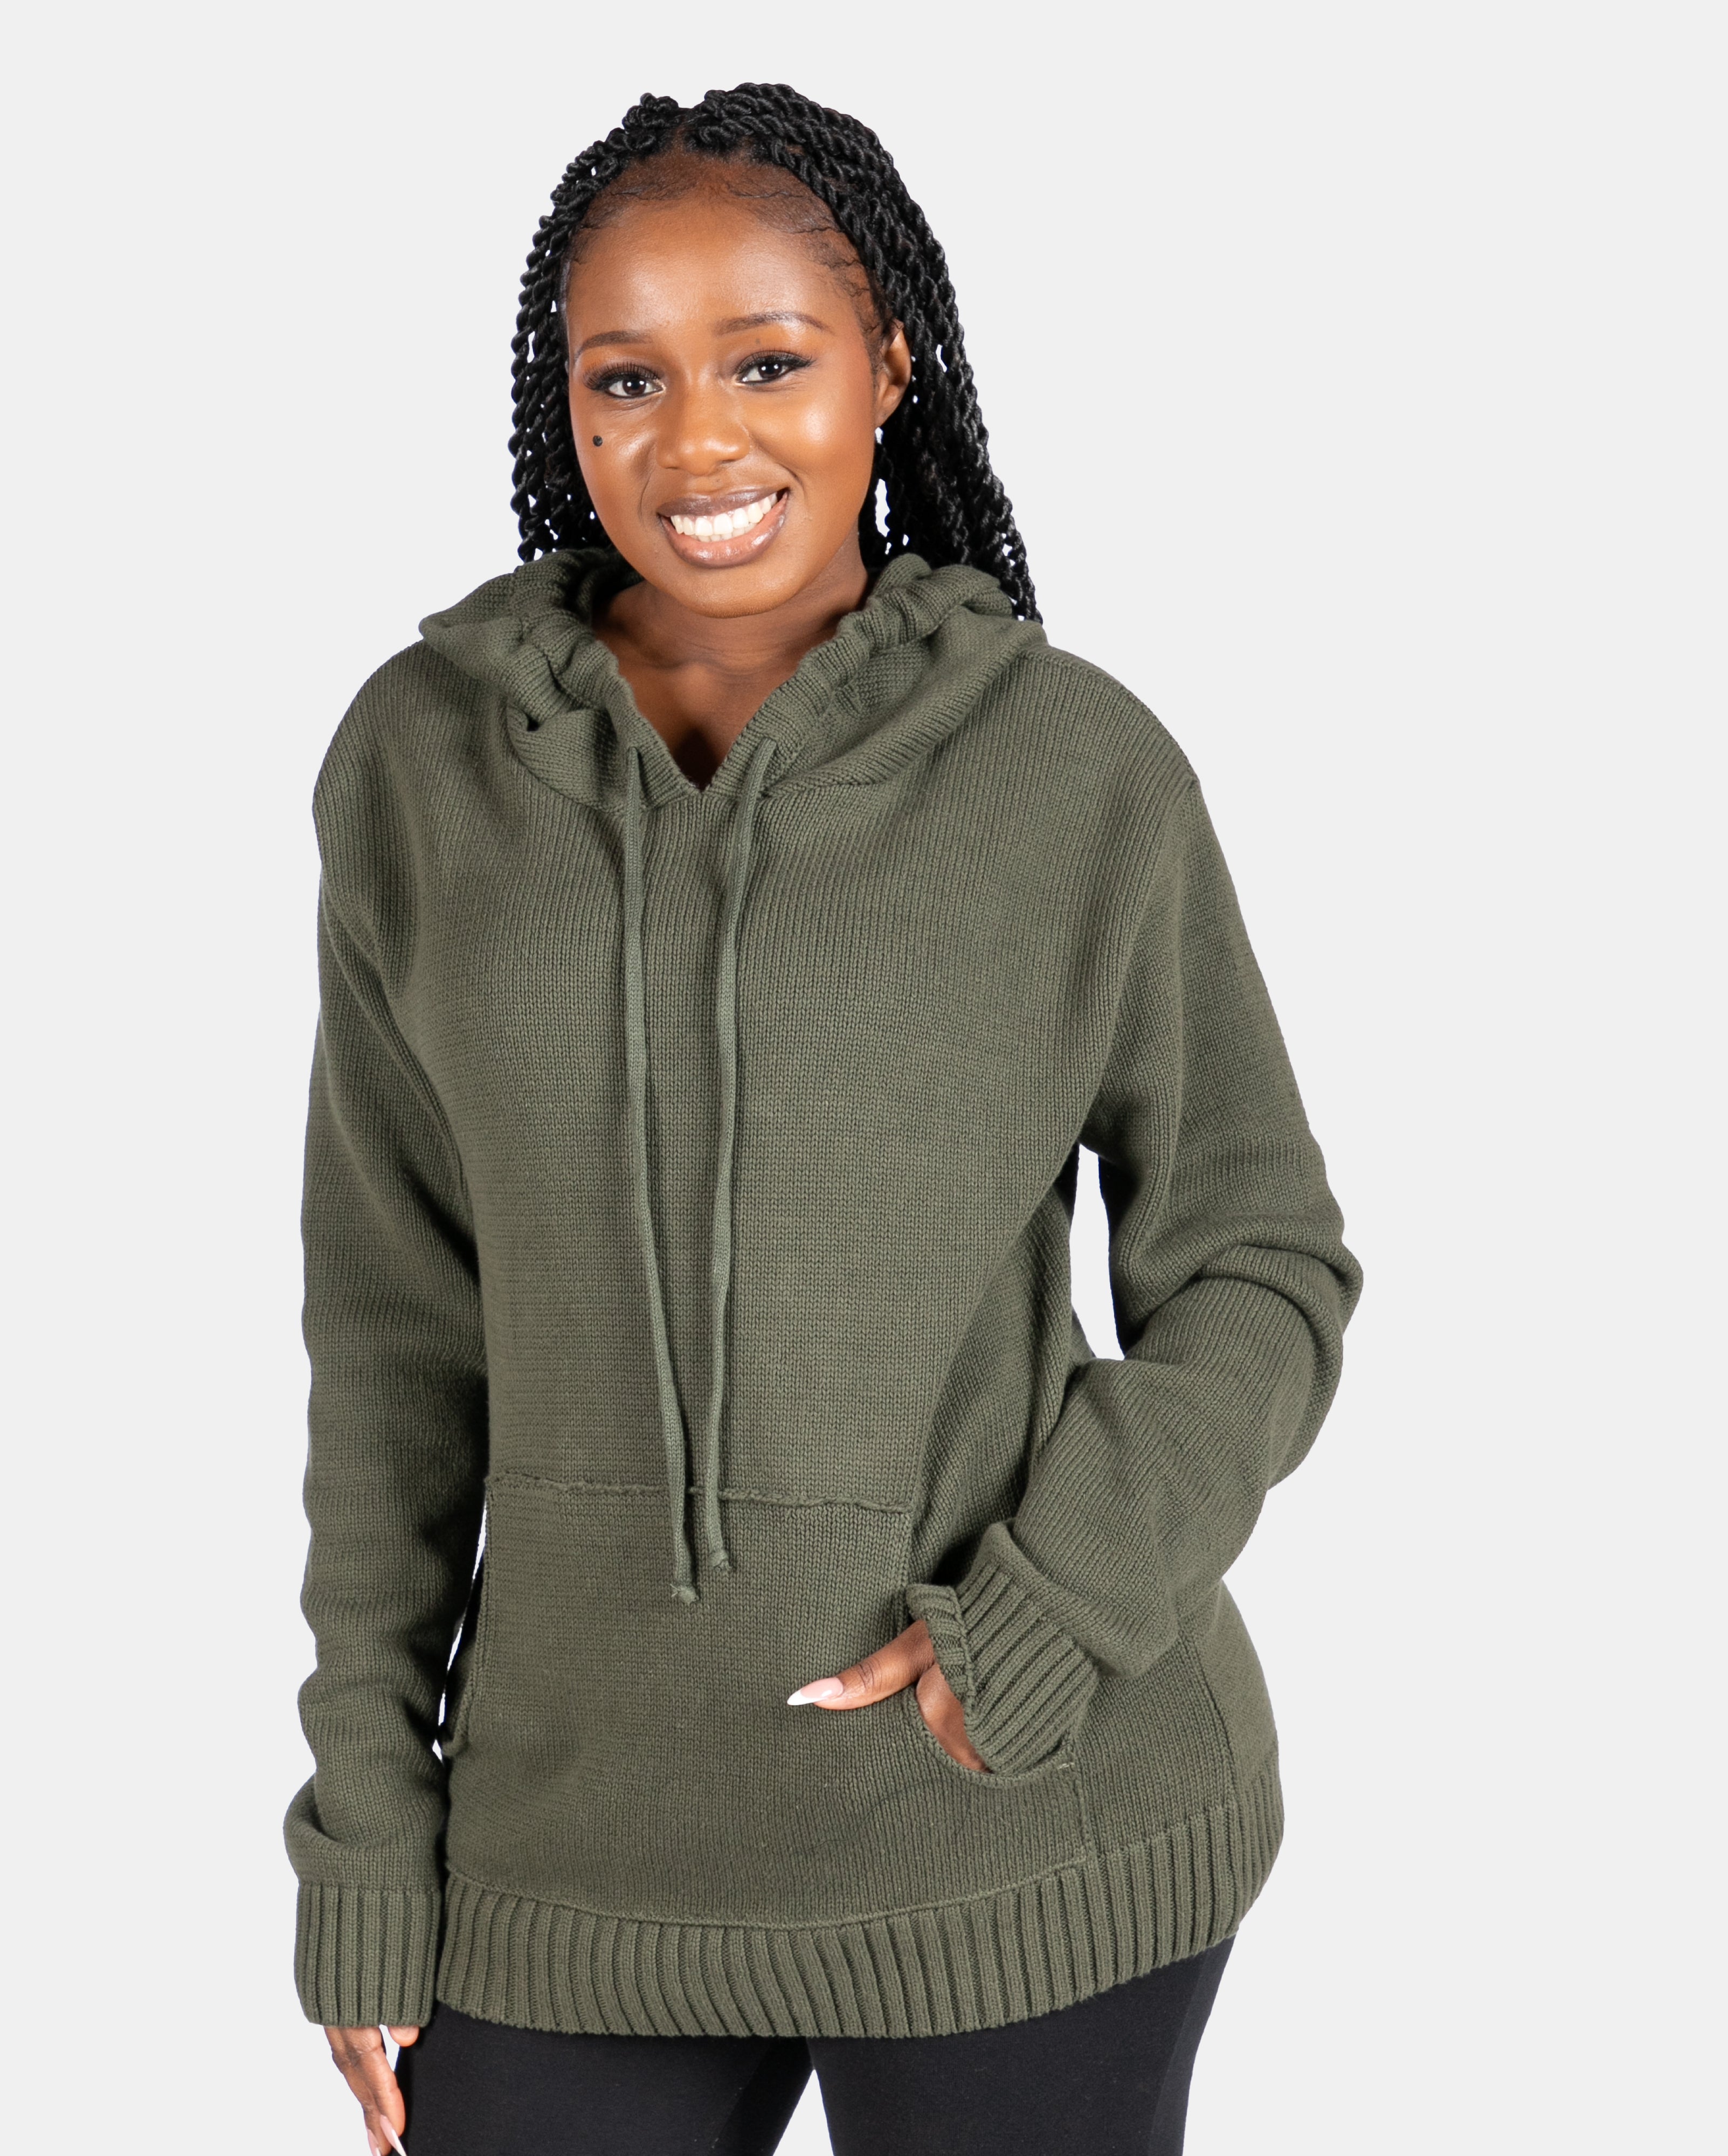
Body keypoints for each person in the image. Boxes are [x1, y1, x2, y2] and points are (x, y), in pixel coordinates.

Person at [285, 82, 1361, 2156]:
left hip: (1020, 1829)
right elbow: (392, 1343)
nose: (696, 443)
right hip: (570, 1864)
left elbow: (1260, 1262)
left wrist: (1045, 1616)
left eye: (768, 361)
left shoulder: (1074, 771)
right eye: (627, 378)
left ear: (891, 369)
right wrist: (363, 1841)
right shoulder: (424, 766)